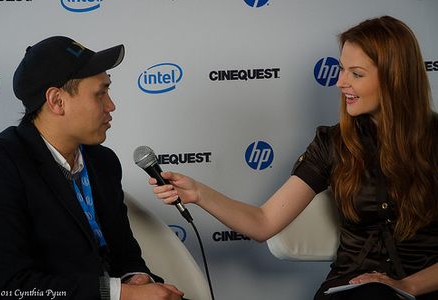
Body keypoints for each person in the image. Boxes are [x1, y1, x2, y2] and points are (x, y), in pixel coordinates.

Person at [151, 16, 438, 300]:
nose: (340, 82)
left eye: (356, 73)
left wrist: (409, 286)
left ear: (394, 77)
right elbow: (263, 222)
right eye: (341, 70)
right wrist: (199, 193)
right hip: (351, 290)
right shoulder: (331, 143)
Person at [0, 36, 184, 300]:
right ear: (57, 101)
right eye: (100, 93)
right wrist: (122, 294)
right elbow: (5, 286)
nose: (111, 106)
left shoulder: (104, 162)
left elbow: (125, 253)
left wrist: (136, 277)